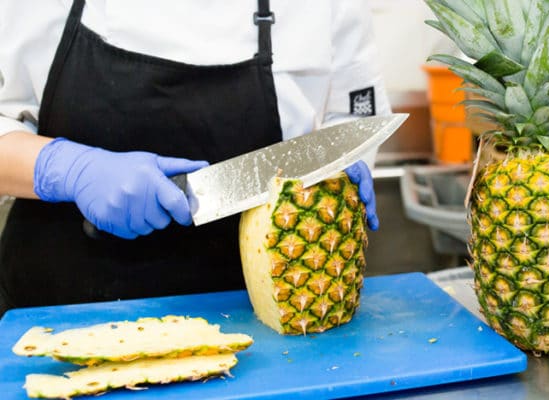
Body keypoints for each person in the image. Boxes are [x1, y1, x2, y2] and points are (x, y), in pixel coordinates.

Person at [0, 0, 391, 315]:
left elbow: (350, 117)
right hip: (58, 317)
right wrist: (67, 169)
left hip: (258, 330)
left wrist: (333, 174)